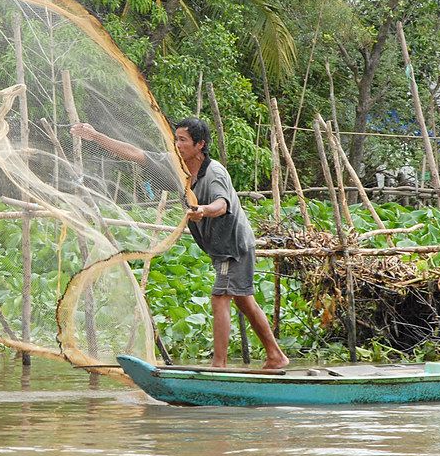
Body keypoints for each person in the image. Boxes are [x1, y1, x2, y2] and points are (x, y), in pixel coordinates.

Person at [71, 117, 289, 369]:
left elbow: (223, 204)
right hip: (220, 246)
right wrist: (96, 135)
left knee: (220, 297)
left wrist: (204, 210)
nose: (177, 145)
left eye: (183, 140)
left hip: (233, 245)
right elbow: (135, 154)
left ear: (200, 145)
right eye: (176, 139)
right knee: (244, 300)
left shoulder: (214, 172)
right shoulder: (177, 165)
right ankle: (275, 356)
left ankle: (219, 365)